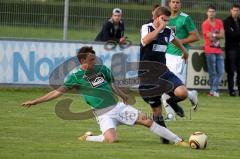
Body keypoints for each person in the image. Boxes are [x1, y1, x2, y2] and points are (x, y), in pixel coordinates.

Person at [21, 46, 189, 147]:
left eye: (95, 58)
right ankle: (88, 137)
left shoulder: (102, 69)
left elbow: (112, 84)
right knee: (111, 140)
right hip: (102, 113)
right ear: (82, 61)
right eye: (91, 59)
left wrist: (123, 95)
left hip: (117, 107)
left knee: (147, 121)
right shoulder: (74, 76)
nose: (95, 61)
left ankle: (178, 140)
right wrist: (35, 101)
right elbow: (56, 92)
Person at [139, 6, 189, 144]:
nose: (166, 23)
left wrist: (184, 51)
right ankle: (165, 135)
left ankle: (171, 101)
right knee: (157, 111)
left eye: (167, 20)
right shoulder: (146, 27)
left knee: (183, 93)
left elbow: (175, 40)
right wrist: (160, 28)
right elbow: (146, 40)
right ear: (156, 18)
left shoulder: (167, 30)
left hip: (163, 71)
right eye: (163, 20)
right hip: (147, 75)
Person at [162, 0, 200, 121]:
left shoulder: (185, 18)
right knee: (163, 86)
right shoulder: (164, 18)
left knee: (175, 88)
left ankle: (190, 95)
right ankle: (171, 115)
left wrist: (179, 42)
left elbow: (196, 36)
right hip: (166, 56)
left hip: (179, 57)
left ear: (181, 4)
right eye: (173, 2)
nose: (175, 4)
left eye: (178, 2)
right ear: (169, 4)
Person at [202, 5, 225, 97]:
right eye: (209, 11)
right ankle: (214, 91)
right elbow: (208, 36)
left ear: (215, 13)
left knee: (221, 71)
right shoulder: (205, 23)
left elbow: (222, 36)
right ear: (207, 13)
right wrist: (217, 34)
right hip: (209, 50)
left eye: (213, 11)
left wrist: (214, 35)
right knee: (213, 72)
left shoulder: (219, 22)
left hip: (218, 50)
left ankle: (213, 90)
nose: (211, 13)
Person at [223, 4, 240, 96]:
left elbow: (235, 34)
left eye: (237, 10)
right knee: (231, 70)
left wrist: (236, 33)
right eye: (234, 10)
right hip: (230, 49)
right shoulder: (226, 21)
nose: (236, 12)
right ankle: (231, 90)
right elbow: (230, 35)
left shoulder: (239, 20)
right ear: (231, 10)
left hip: (238, 48)